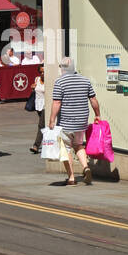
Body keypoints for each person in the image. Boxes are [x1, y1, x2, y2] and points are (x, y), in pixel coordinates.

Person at [49, 56, 101, 185]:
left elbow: (57, 102)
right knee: (78, 145)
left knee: (65, 149)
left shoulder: (60, 82)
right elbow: (93, 100)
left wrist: (51, 120)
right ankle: (85, 167)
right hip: (81, 122)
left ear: (63, 68)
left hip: (66, 123)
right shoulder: (85, 80)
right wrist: (97, 115)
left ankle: (71, 177)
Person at [29, 62, 45, 154]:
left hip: (46, 105)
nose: (42, 74)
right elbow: (35, 90)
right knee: (45, 125)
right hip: (38, 105)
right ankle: (50, 143)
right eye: (41, 72)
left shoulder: (50, 80)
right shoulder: (37, 79)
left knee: (41, 125)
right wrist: (32, 87)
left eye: (44, 72)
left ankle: (36, 145)